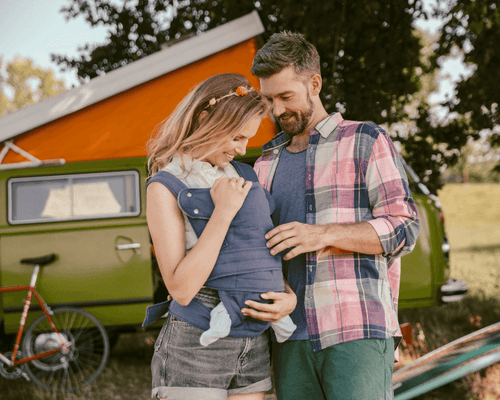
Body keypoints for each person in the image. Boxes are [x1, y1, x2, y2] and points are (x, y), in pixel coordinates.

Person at [240, 32, 421, 400]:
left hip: (356, 331)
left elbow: (405, 228)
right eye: (269, 99)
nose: (276, 111)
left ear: (315, 83)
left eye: (286, 97)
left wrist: (322, 234)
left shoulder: (366, 140)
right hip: (288, 337)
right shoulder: (264, 164)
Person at [144, 73, 297, 400]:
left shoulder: (245, 175)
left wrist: (287, 296)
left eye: (247, 140)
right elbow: (181, 289)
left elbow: (257, 250)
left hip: (252, 342)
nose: (242, 149)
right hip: (196, 342)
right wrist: (223, 212)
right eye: (237, 137)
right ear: (205, 119)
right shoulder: (164, 186)